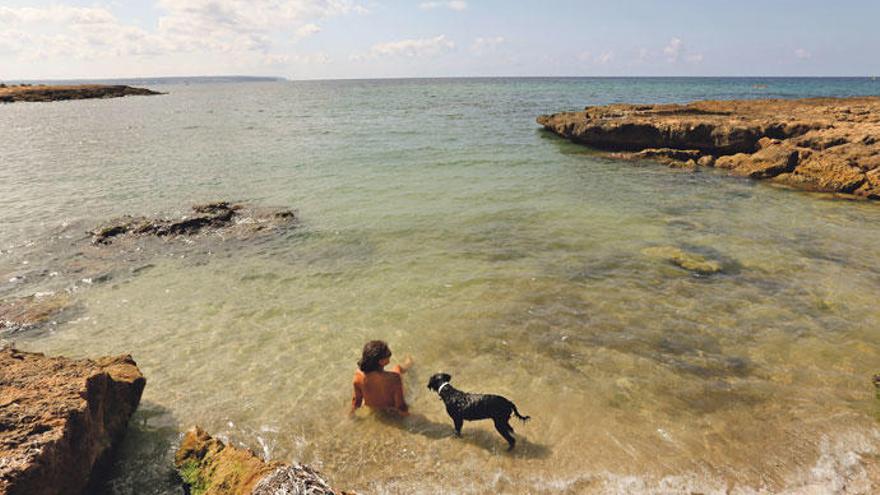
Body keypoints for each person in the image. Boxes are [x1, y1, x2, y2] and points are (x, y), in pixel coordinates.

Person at [350, 340, 413, 417]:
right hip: (391, 411)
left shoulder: (358, 377)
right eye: (387, 353)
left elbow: (357, 401)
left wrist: (351, 415)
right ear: (381, 361)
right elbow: (400, 406)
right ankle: (410, 362)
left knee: (397, 369)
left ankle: (409, 362)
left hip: (374, 411)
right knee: (398, 368)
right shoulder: (394, 378)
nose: (389, 353)